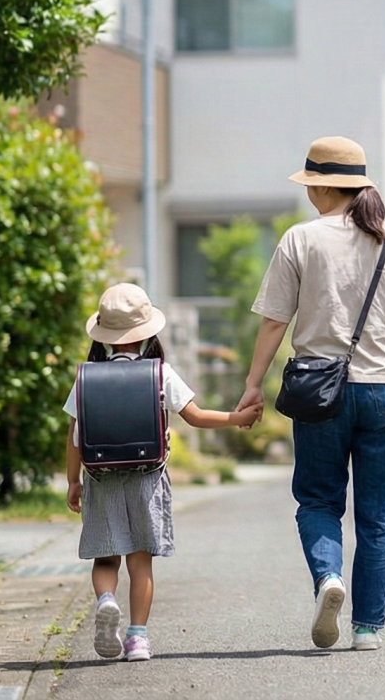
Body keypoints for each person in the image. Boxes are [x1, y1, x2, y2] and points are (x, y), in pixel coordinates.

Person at [238, 135, 385, 653]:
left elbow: (274, 322)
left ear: (322, 187)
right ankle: (367, 628)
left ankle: (329, 577)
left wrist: (253, 384)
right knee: (379, 514)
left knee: (318, 499)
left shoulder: (300, 240)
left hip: (318, 390)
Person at [64, 283, 262, 662]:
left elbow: (73, 437)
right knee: (141, 562)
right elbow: (196, 416)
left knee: (106, 560)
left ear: (103, 336)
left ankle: (106, 600)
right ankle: (137, 638)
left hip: (101, 479)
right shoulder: (159, 373)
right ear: (147, 333)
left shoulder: (87, 378)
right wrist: (237, 418)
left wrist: (74, 481)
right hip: (147, 478)